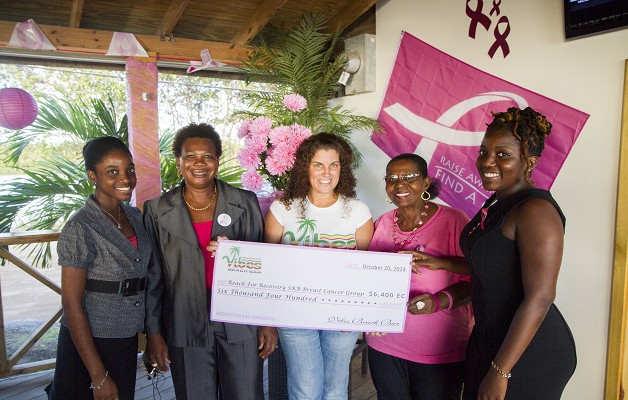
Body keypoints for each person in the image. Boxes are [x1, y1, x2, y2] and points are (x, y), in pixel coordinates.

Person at [143, 123, 277, 400]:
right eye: (190, 156)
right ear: (178, 161)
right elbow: (153, 277)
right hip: (183, 317)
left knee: (246, 393)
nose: (199, 163)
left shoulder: (245, 202)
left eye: (207, 156)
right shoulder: (156, 210)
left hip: (240, 317)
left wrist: (268, 322)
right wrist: (153, 334)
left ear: (217, 160)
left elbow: (263, 267)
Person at [460, 107, 577, 399]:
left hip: (528, 351)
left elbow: (540, 297)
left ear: (529, 162)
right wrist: (438, 263)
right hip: (490, 337)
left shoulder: (536, 211)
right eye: (484, 152)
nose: (487, 161)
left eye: (503, 154)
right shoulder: (497, 201)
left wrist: (500, 372)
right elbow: (493, 267)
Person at [264, 132, 374, 400]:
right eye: (318, 165)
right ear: (306, 167)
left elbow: (367, 269)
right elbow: (267, 264)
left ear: (342, 169)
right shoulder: (282, 209)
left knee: (335, 388)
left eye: (333, 165)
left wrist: (366, 314)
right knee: (305, 389)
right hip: (294, 313)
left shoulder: (358, 211)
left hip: (343, 313)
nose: (327, 173)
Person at [46, 136, 152, 400]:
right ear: (92, 176)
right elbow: (71, 303)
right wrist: (97, 374)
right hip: (89, 342)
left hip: (125, 336)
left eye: (129, 169)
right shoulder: (80, 227)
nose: (125, 178)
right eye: (112, 172)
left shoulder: (135, 217)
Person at [365, 153, 473, 400]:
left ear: (425, 183)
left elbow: (478, 278)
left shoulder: (454, 221)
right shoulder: (382, 222)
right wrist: (367, 315)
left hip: (437, 348)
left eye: (409, 177)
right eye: (392, 179)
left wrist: (437, 301)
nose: (399, 184)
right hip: (383, 344)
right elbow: (366, 278)